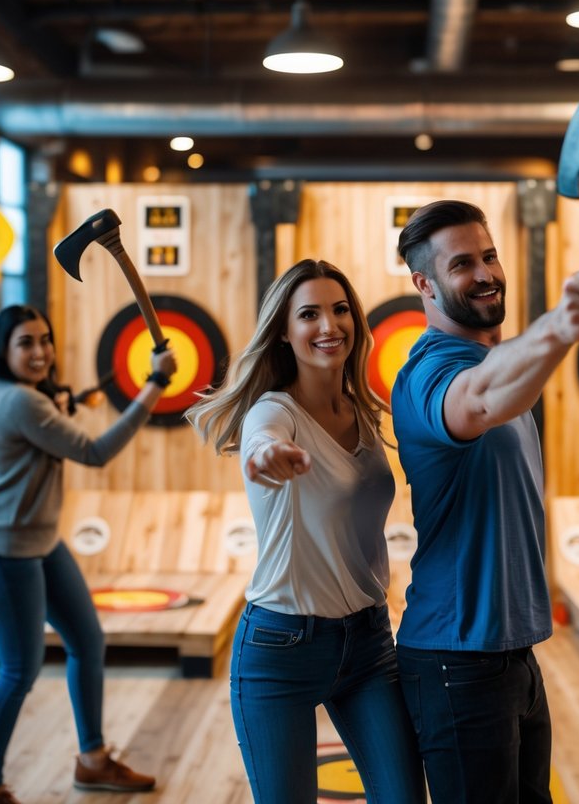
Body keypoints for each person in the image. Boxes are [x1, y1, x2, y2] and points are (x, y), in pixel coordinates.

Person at [391, 200, 579, 803]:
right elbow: (480, 401)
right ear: (425, 284)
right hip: (455, 659)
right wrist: (561, 324)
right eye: (462, 264)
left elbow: (505, 380)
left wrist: (557, 334)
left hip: (511, 654)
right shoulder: (429, 373)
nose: (486, 272)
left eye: (489, 255)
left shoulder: (496, 364)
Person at [187, 259, 425, 804]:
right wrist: (266, 454)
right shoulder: (274, 412)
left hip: (368, 642)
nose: (328, 326)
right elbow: (262, 438)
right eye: (309, 314)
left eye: (340, 310)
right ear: (284, 332)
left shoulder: (366, 413)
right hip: (280, 647)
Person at [0, 304, 177, 804]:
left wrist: (59, 404)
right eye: (25, 343)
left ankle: (93, 760)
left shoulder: (22, 397)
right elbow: (95, 453)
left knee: (86, 640)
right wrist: (155, 384)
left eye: (44, 340)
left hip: (37, 541)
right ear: (2, 351)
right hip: (1, 549)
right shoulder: (19, 402)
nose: (39, 352)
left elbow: (40, 432)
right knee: (18, 670)